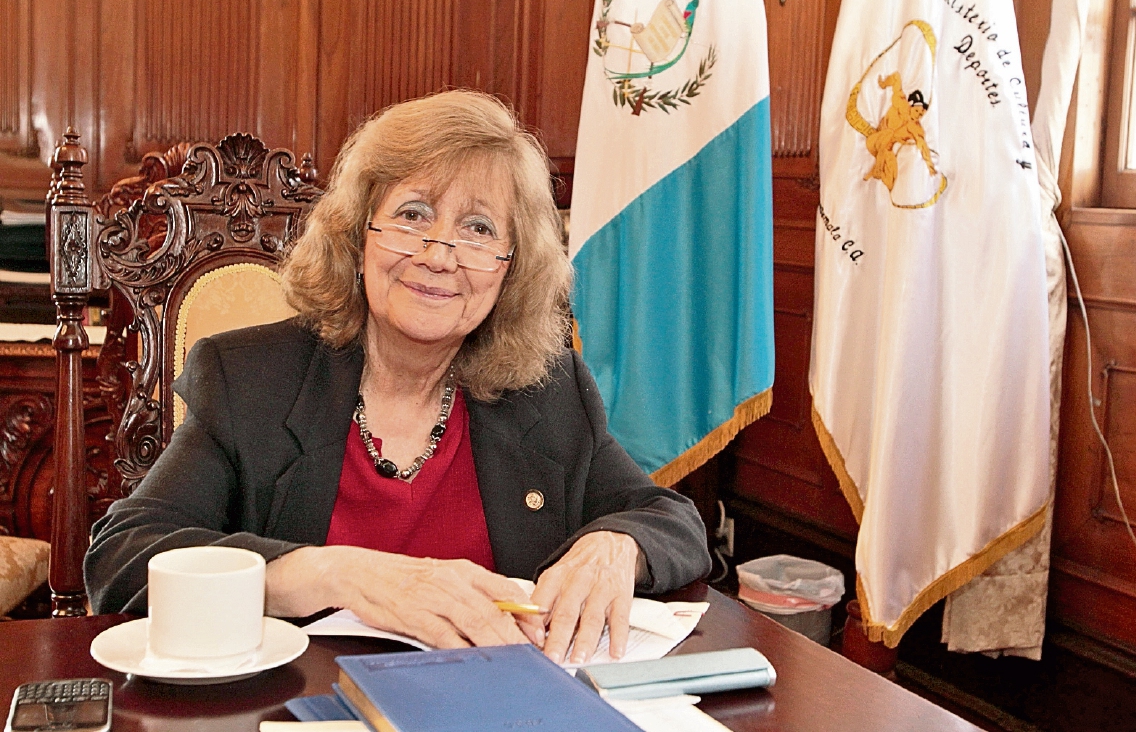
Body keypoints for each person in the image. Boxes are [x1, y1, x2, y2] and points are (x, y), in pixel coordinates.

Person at [84, 90, 710, 664]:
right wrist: (329, 573)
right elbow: (122, 557)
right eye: (413, 215)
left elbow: (670, 519)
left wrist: (615, 546)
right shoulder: (250, 377)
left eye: (478, 228)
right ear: (359, 236)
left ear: (509, 269)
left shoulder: (547, 391)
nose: (440, 254)